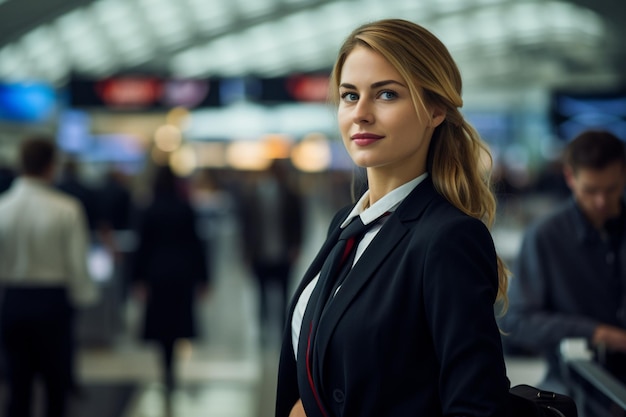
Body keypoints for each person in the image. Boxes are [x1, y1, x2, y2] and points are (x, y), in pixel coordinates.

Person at [275, 18, 511, 417]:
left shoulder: (449, 237)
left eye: (386, 94)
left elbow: (475, 405)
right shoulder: (346, 224)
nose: (361, 114)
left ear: (435, 109)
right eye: (350, 96)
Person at [499, 129, 626, 392]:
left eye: (611, 189)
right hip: (575, 386)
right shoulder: (545, 236)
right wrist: (596, 332)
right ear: (570, 177)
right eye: (590, 191)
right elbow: (518, 321)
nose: (601, 201)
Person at [0, 136, 98, 417]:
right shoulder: (66, 209)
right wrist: (82, 299)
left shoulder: (3, 208)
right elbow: (77, 265)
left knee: (18, 387)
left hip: (14, 301)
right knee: (56, 388)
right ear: (50, 166)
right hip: (53, 302)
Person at [131, 165, 209, 399]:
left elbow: (142, 247)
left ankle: (166, 370)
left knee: (161, 325)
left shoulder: (149, 209)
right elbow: (196, 245)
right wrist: (204, 277)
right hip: (182, 275)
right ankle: (172, 368)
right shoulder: (185, 208)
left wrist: (137, 279)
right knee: (177, 323)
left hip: (157, 275)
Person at [238, 159, 304, 337]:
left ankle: (278, 329)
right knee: (265, 295)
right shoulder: (255, 196)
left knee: (279, 294)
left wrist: (295, 246)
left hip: (279, 253)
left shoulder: (288, 195)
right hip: (262, 253)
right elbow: (247, 226)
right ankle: (266, 329)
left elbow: (297, 224)